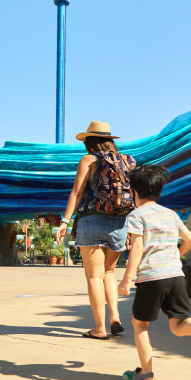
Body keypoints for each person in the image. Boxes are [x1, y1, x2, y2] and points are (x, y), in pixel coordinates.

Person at [117, 164, 191, 380]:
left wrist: (127, 278)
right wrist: (174, 256)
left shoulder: (136, 216)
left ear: (134, 191)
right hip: (176, 276)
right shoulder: (171, 214)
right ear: (159, 192)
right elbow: (190, 241)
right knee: (178, 325)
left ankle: (145, 374)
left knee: (139, 324)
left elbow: (137, 248)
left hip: (151, 278)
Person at [55, 121, 136, 339]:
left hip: (92, 221)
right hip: (120, 222)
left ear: (89, 141)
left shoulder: (89, 160)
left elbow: (76, 192)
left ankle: (100, 329)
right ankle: (115, 318)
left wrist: (65, 221)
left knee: (94, 277)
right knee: (109, 272)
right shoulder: (127, 161)